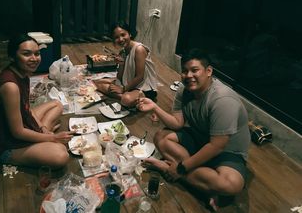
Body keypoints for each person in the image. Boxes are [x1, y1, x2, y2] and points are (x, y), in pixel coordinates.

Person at [137, 48, 250, 210]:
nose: (189, 75)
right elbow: (177, 123)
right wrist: (155, 107)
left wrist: (181, 168)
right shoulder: (185, 89)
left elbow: (217, 146)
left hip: (226, 152)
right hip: (200, 139)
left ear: (208, 71)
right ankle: (203, 184)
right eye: (185, 71)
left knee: (231, 184)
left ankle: (169, 168)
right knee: (161, 137)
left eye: (195, 70)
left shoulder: (223, 99)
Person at [0, 34, 75, 168]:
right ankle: (40, 142)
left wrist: (43, 129)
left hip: (17, 125)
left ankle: (41, 136)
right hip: (3, 143)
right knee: (61, 155)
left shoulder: (22, 73)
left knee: (57, 104)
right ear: (12, 56)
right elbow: (17, 132)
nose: (34, 59)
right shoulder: (10, 86)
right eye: (27, 54)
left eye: (37, 53)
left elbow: (26, 109)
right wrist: (52, 138)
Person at [94, 21, 158, 107]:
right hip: (129, 83)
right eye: (116, 37)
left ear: (130, 34)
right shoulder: (122, 52)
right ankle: (132, 98)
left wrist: (123, 89)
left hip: (143, 87)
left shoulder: (139, 49)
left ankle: (138, 98)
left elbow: (140, 76)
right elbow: (120, 77)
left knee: (126, 100)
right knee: (98, 84)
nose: (120, 39)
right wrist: (121, 64)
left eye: (123, 35)